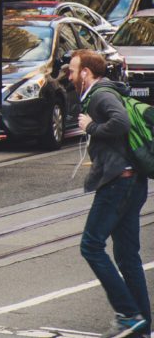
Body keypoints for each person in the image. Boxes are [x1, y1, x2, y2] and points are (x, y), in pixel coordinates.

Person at [70, 49, 150, 338]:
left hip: (119, 182)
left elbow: (121, 122)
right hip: (132, 181)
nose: (69, 75)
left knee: (91, 245)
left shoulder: (101, 95)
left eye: (72, 70)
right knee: (127, 255)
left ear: (85, 73)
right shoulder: (103, 93)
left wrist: (91, 126)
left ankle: (128, 314)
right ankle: (143, 325)